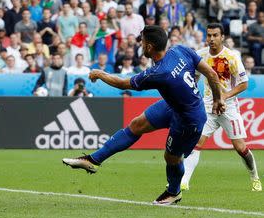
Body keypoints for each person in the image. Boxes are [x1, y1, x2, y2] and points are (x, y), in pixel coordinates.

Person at [62, 25, 225, 205]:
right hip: (175, 106)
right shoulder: (180, 49)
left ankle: (174, 192)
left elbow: (124, 84)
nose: (141, 45)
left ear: (149, 47)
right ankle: (93, 160)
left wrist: (100, 73)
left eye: (143, 42)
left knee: (171, 157)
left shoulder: (158, 73)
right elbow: (210, 73)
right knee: (136, 125)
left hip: (189, 119)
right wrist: (218, 99)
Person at [182, 24, 262, 192]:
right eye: (209, 35)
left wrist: (225, 96)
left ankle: (254, 177)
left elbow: (244, 84)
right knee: (197, 143)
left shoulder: (231, 57)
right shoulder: (200, 55)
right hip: (208, 106)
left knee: (240, 148)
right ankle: (184, 181)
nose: (211, 39)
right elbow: (194, 78)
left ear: (222, 37)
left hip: (229, 107)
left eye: (215, 35)